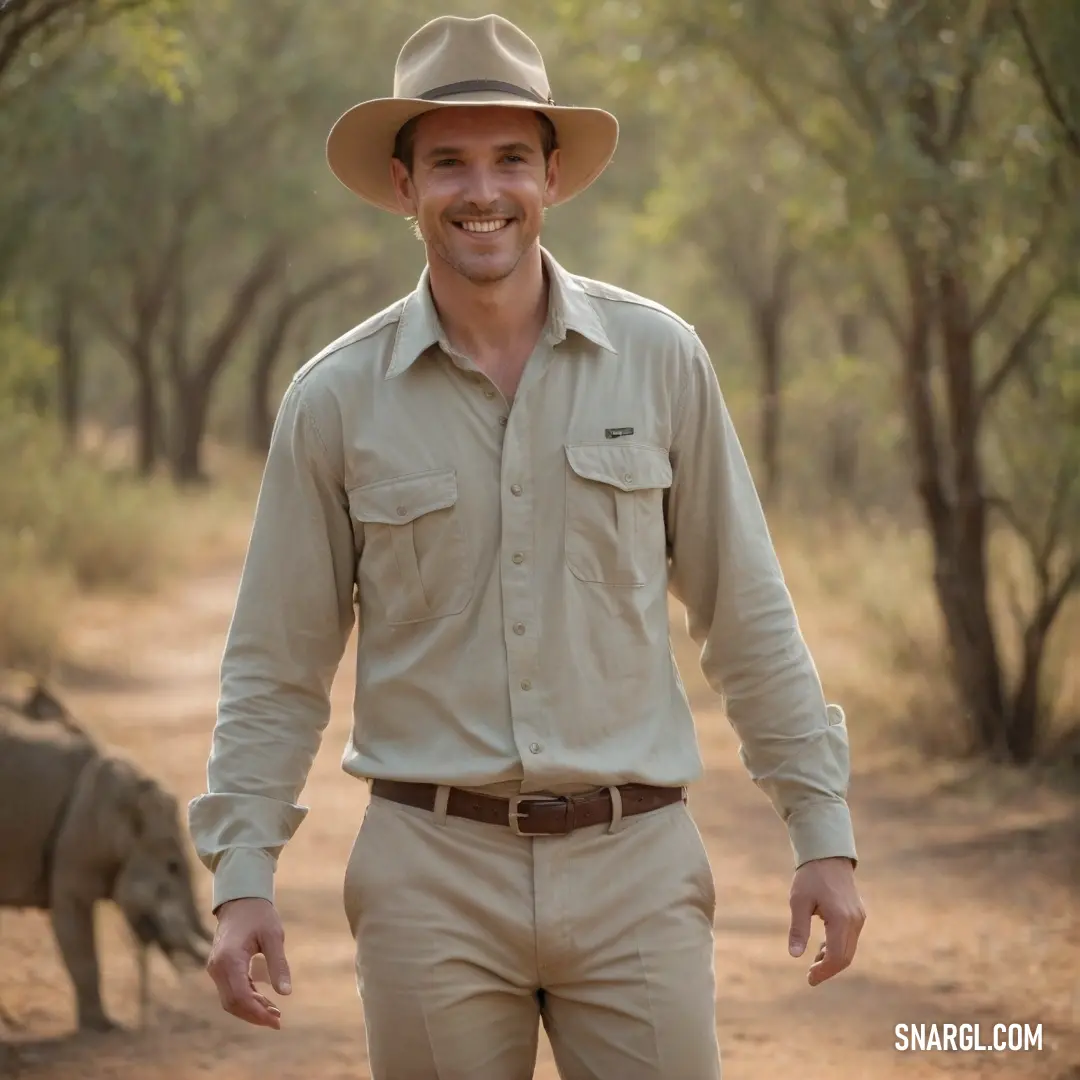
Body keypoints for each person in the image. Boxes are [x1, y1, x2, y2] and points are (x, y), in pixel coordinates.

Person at [187, 12, 866, 1079]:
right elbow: (276, 663)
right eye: (448, 161)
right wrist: (242, 873)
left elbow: (748, 615)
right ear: (404, 186)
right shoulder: (334, 400)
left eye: (510, 158)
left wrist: (820, 829)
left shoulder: (659, 360)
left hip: (636, 865)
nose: (482, 191)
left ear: (553, 176)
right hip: (429, 871)